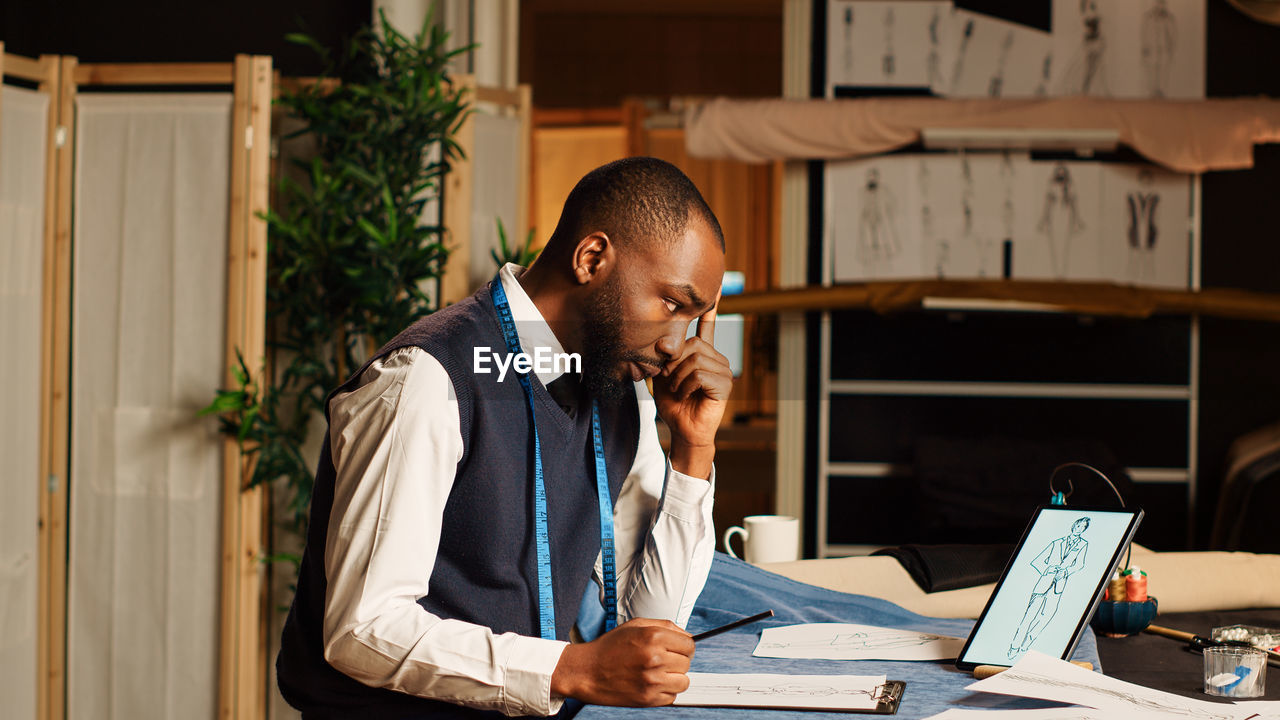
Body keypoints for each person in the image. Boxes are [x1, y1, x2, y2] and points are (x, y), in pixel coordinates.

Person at [277, 156, 732, 718]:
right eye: (671, 303)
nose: (675, 343)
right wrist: (571, 668)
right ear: (592, 258)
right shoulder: (427, 378)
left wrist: (692, 451)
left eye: (692, 318)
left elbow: (650, 627)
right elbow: (363, 630)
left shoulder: (620, 390)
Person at [1007, 516, 1091, 660]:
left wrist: (1065, 572)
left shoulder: (1083, 544)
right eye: (1078, 526)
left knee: (1046, 617)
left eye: (1083, 528)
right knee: (1029, 617)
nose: (1079, 529)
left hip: (1058, 586)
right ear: (1074, 525)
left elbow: (1079, 564)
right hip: (1043, 584)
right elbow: (1037, 561)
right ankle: (1014, 647)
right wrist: (1048, 569)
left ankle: (1025, 646)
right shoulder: (1057, 542)